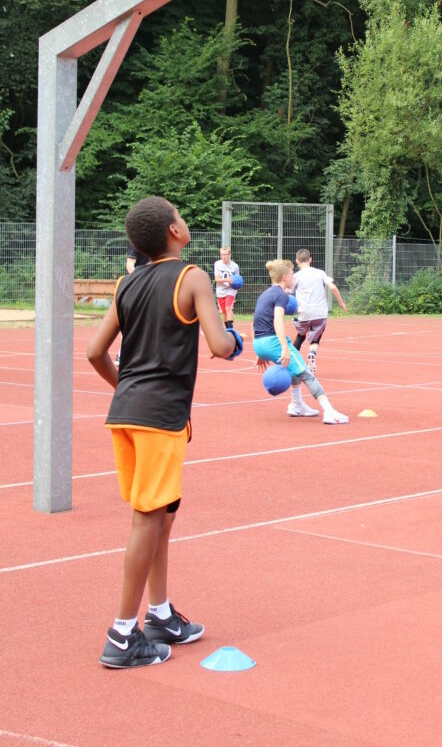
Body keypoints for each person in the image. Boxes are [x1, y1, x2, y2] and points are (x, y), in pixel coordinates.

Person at [87, 196, 243, 669]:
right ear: (174, 232)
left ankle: (159, 615)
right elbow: (220, 345)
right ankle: (121, 636)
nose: (184, 219)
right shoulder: (191, 277)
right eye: (180, 215)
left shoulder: (126, 283)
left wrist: (127, 390)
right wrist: (236, 339)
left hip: (127, 413)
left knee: (163, 514)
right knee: (147, 518)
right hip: (160, 417)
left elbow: (95, 352)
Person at [252, 258, 349, 424]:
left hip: (259, 342)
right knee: (306, 373)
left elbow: (256, 320)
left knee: (293, 368)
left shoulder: (265, 294)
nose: (293, 277)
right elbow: (277, 320)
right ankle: (329, 411)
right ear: (284, 277)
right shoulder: (281, 295)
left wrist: (260, 353)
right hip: (273, 342)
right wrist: (284, 347)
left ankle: (297, 405)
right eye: (291, 274)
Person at [291, 248, 346, 374]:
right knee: (316, 336)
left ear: (297, 261)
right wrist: (340, 302)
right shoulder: (320, 273)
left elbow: (288, 293)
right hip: (320, 312)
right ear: (310, 259)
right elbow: (332, 287)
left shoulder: (296, 277)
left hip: (304, 312)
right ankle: (312, 353)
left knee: (301, 336)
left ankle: (291, 362)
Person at [114, 241, 150, 366]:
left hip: (149, 286)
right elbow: (129, 265)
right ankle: (122, 355)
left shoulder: (157, 241)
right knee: (134, 322)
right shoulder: (136, 241)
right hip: (138, 286)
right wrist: (141, 281)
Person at [213, 246, 240, 330]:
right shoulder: (217, 264)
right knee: (224, 312)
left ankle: (231, 330)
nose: (223, 257)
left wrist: (237, 286)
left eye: (225, 254)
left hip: (230, 290)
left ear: (230, 255)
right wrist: (226, 280)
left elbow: (238, 279)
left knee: (228, 307)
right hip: (220, 290)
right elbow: (217, 279)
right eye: (222, 254)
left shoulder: (235, 266)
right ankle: (228, 329)